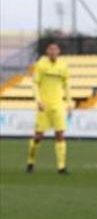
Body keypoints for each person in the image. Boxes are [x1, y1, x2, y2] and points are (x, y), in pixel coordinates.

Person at [27, 42, 71, 174]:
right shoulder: (41, 65)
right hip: (44, 106)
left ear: (59, 52)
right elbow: (35, 84)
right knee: (38, 136)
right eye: (51, 49)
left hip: (58, 105)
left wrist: (69, 103)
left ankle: (61, 167)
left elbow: (66, 85)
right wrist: (38, 101)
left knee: (60, 135)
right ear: (47, 51)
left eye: (55, 49)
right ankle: (30, 162)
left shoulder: (63, 66)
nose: (53, 52)